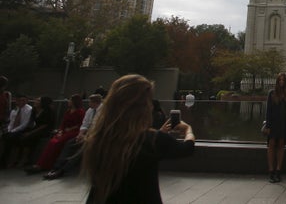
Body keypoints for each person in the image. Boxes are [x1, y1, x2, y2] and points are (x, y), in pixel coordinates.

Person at [82, 74, 195, 203]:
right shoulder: (152, 140)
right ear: (143, 106)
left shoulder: (97, 138)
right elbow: (187, 149)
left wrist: (159, 132)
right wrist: (188, 130)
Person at [43, 94, 103, 179]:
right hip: (86, 134)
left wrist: (87, 136)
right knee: (69, 144)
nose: (89, 103)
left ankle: (63, 170)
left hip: (96, 135)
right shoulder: (90, 110)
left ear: (95, 102)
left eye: (90, 101)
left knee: (81, 150)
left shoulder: (103, 111)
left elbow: (99, 126)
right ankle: (56, 167)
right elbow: (85, 124)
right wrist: (80, 134)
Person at [26, 94, 84, 173]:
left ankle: (48, 165)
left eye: (70, 100)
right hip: (65, 131)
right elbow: (63, 123)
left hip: (73, 132)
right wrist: (60, 131)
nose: (69, 101)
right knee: (52, 142)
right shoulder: (68, 111)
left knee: (57, 143)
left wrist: (70, 129)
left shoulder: (80, 112)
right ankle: (41, 164)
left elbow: (81, 124)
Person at [265, 72, 286, 183]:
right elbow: (268, 111)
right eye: (280, 80)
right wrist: (268, 125)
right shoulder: (272, 93)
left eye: (283, 80)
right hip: (273, 124)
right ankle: (271, 171)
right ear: (277, 81)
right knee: (271, 146)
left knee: (281, 145)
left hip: (283, 124)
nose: (281, 82)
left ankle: (278, 170)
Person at [16, 96, 55, 167]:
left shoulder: (48, 111)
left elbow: (45, 125)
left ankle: (25, 159)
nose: (35, 102)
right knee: (21, 135)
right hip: (36, 127)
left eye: (38, 101)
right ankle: (19, 158)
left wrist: (31, 132)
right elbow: (31, 122)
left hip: (45, 130)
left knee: (28, 137)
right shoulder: (34, 110)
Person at [1, 93, 34, 167]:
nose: (22, 102)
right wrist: (9, 130)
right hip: (14, 130)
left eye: (24, 100)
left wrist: (13, 131)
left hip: (24, 129)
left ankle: (5, 161)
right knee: (5, 137)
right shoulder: (15, 110)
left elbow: (25, 124)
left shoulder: (29, 109)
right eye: (20, 100)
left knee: (9, 139)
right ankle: (5, 160)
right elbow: (11, 122)